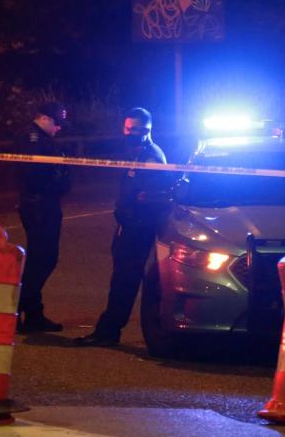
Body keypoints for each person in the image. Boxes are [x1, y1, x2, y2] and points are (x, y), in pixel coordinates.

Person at [74, 107, 170, 347]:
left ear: (147, 129)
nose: (129, 133)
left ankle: (108, 331)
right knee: (120, 278)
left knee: (124, 280)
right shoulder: (134, 152)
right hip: (128, 224)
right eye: (127, 128)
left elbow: (153, 196)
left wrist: (134, 212)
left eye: (135, 129)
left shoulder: (152, 158)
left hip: (138, 227)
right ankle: (109, 329)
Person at [14, 101, 72, 333]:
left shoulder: (41, 139)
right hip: (38, 204)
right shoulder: (30, 138)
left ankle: (33, 312)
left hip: (46, 203)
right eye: (57, 123)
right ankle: (17, 307)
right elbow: (35, 173)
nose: (59, 128)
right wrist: (57, 176)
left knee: (43, 258)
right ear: (46, 118)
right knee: (43, 258)